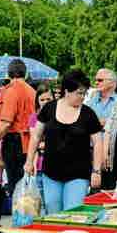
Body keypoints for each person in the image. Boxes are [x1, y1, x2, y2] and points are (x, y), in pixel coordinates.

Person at [24, 69, 103, 213]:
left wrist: (96, 171)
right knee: (53, 210)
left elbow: (98, 142)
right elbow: (35, 136)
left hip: (78, 174)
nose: (82, 97)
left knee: (72, 211)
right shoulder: (49, 108)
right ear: (67, 91)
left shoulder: (88, 114)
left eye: (84, 93)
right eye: (79, 93)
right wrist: (29, 161)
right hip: (51, 174)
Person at [0, 59, 36, 197]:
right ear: (25, 74)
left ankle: (21, 218)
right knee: (27, 186)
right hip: (30, 140)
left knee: (16, 187)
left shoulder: (11, 91)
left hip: (14, 141)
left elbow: (6, 123)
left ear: (8, 74)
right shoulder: (32, 91)